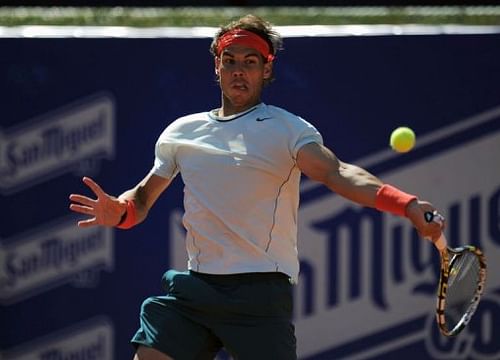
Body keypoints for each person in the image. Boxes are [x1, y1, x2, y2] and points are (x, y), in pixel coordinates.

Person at [69, 14, 444, 360]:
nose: (238, 71)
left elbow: (338, 173)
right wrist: (120, 211)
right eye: (230, 60)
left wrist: (406, 204)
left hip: (258, 295)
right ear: (217, 66)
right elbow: (143, 198)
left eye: (250, 62)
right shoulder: (181, 133)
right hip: (195, 289)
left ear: (267, 69)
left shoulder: (288, 130)